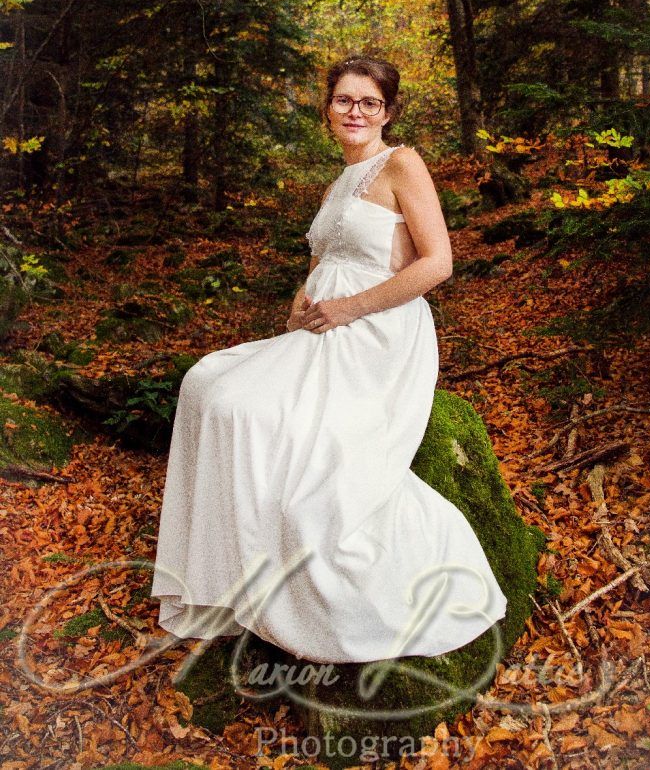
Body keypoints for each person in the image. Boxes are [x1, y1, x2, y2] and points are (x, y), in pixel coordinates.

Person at [149, 53, 508, 663]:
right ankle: (225, 575)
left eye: (370, 102)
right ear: (328, 110)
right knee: (206, 381)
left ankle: (303, 584)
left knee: (253, 414)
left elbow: (437, 263)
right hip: (323, 328)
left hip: (380, 331)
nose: (356, 110)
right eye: (345, 99)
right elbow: (323, 261)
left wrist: (348, 309)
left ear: (388, 111)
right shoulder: (339, 181)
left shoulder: (402, 163)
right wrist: (301, 303)